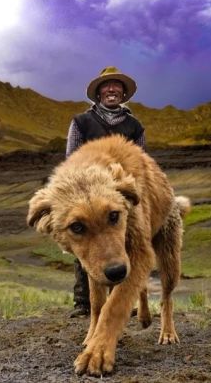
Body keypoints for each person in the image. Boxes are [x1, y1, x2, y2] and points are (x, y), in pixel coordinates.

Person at [66, 66, 146, 317]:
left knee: (126, 244)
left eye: (117, 86)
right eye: (106, 86)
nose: (112, 89)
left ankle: (121, 301)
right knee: (86, 243)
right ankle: (83, 303)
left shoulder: (134, 125)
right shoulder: (81, 122)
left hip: (121, 194)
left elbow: (141, 160)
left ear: (123, 93)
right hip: (88, 193)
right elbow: (72, 158)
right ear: (99, 93)